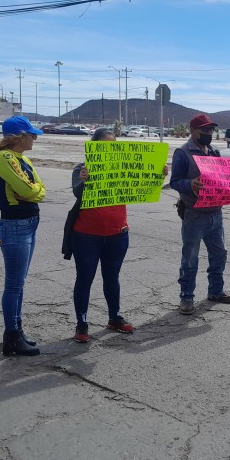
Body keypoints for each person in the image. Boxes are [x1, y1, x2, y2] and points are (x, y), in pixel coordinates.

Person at [68, 129, 170, 342]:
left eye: (113, 145)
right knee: (84, 279)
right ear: (93, 146)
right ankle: (82, 324)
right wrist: (84, 180)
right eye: (104, 145)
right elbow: (77, 192)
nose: (109, 149)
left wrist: (157, 174)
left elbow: (142, 185)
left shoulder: (123, 166)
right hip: (86, 236)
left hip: (117, 235)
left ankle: (114, 318)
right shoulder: (81, 169)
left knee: (112, 278)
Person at [170, 114, 230, 316]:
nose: (209, 133)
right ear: (193, 130)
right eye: (205, 130)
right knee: (190, 259)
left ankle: (216, 291)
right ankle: (186, 298)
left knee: (219, 254)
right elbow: (175, 181)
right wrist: (190, 184)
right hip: (194, 215)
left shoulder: (214, 151)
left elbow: (222, 178)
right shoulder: (182, 153)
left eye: (210, 130)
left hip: (215, 213)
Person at [0, 116, 46, 356]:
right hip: (15, 225)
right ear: (19, 137)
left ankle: (16, 330)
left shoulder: (21, 159)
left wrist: (34, 192)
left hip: (28, 223)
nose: (34, 138)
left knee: (19, 283)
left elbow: (40, 190)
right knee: (14, 284)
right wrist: (33, 191)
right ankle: (12, 335)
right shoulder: (4, 157)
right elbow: (26, 189)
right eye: (31, 135)